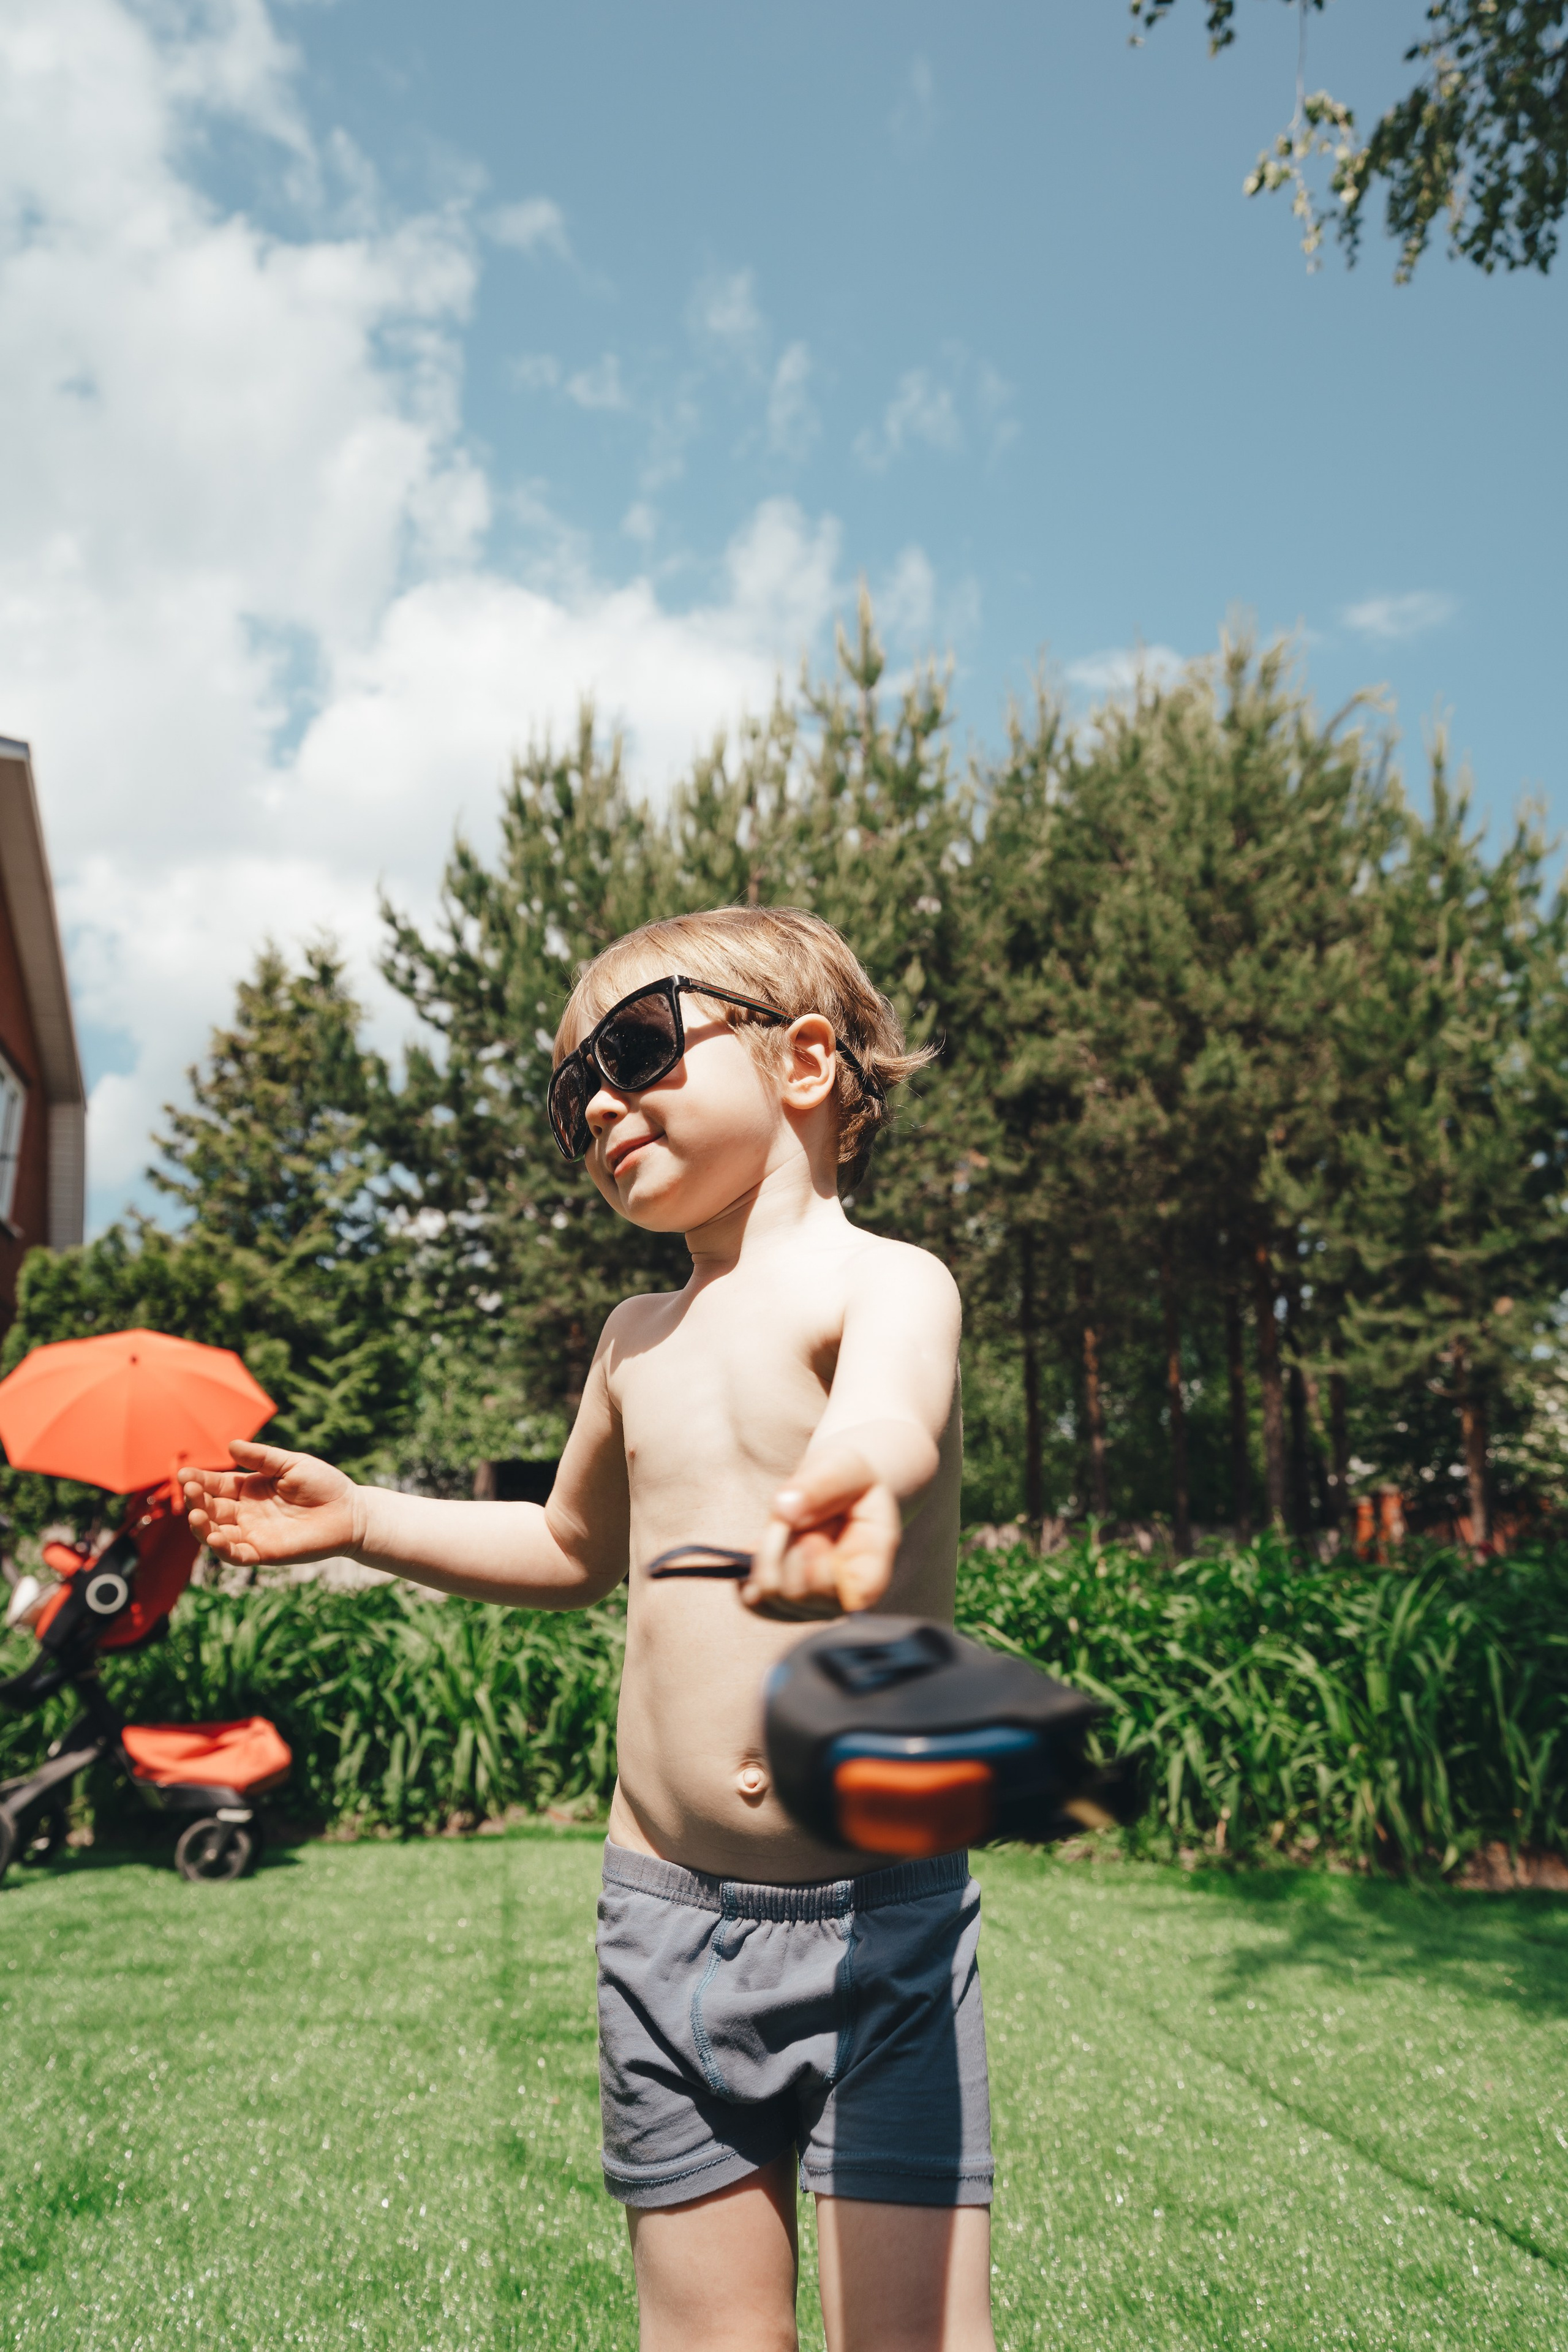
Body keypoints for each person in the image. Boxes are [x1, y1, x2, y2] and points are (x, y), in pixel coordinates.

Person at [181, 906, 993, 2352]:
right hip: (667, 1917)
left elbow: (889, 1411)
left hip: (887, 1923)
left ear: (803, 1061)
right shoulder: (634, 1339)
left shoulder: (886, 1282)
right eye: (573, 1094)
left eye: (634, 1048)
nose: (600, 1104)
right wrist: (364, 1514)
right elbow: (567, 1546)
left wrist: (852, 1480)